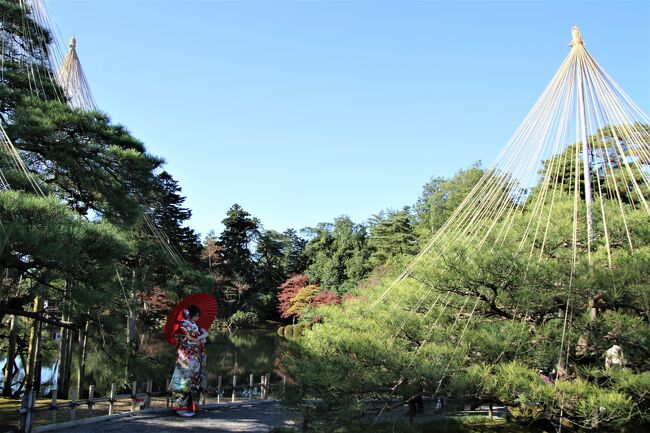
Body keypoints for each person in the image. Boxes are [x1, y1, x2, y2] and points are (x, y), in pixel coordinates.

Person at [169, 304, 208, 417]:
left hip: (194, 358)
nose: (197, 318)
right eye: (195, 316)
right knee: (183, 382)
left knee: (194, 382)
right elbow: (189, 339)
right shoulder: (183, 325)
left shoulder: (194, 325)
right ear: (188, 315)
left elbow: (197, 339)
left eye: (197, 316)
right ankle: (180, 408)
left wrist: (202, 337)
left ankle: (191, 407)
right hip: (186, 358)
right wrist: (203, 335)